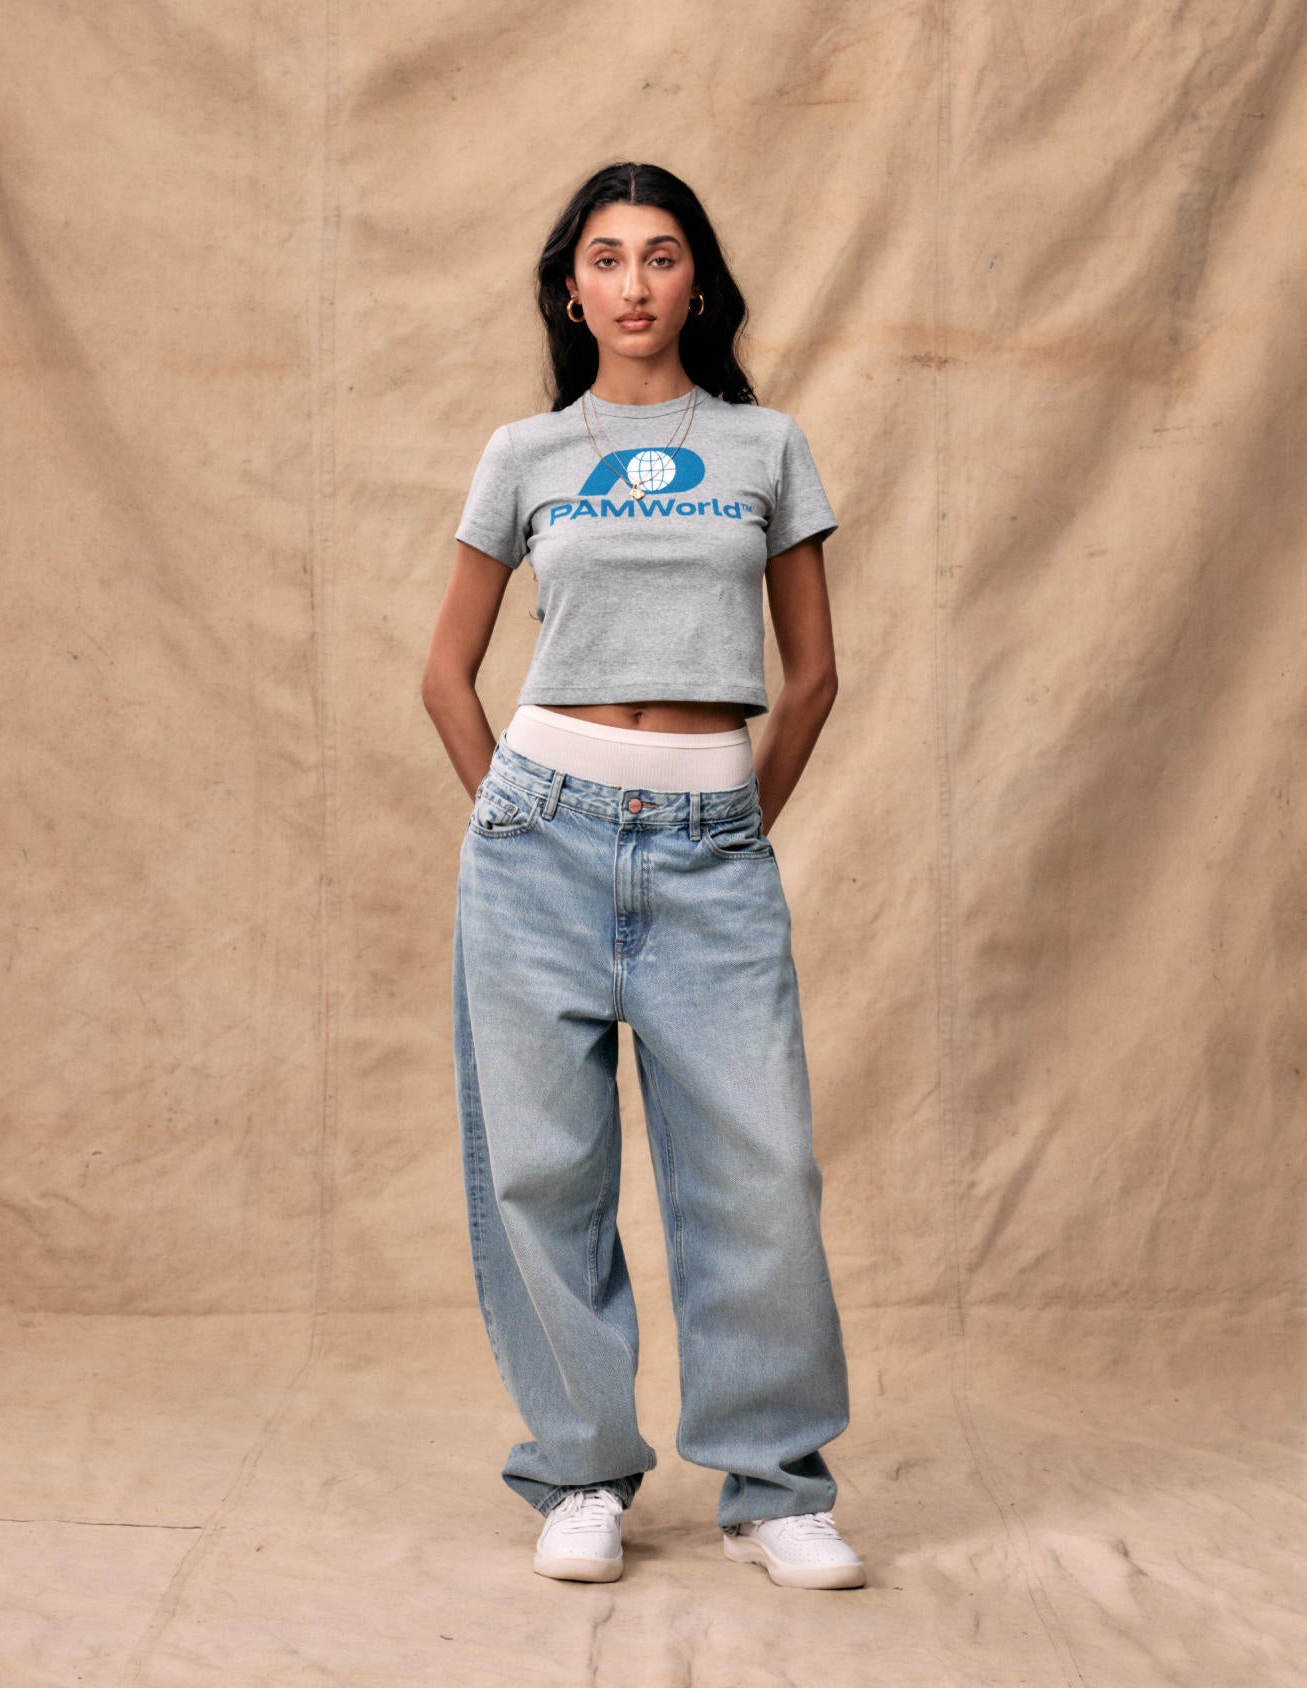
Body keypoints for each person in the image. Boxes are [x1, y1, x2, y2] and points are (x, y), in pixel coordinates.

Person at [421, 161, 865, 1592]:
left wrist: (733, 821)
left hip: (707, 845)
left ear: (697, 284)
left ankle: (777, 1486)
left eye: (661, 256)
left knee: (760, 1172)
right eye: (606, 258)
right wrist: (513, 814)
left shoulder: (764, 445)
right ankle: (579, 1473)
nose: (633, 283)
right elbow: (444, 674)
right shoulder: (525, 453)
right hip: (537, 840)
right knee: (543, 1173)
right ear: (572, 290)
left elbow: (812, 676)